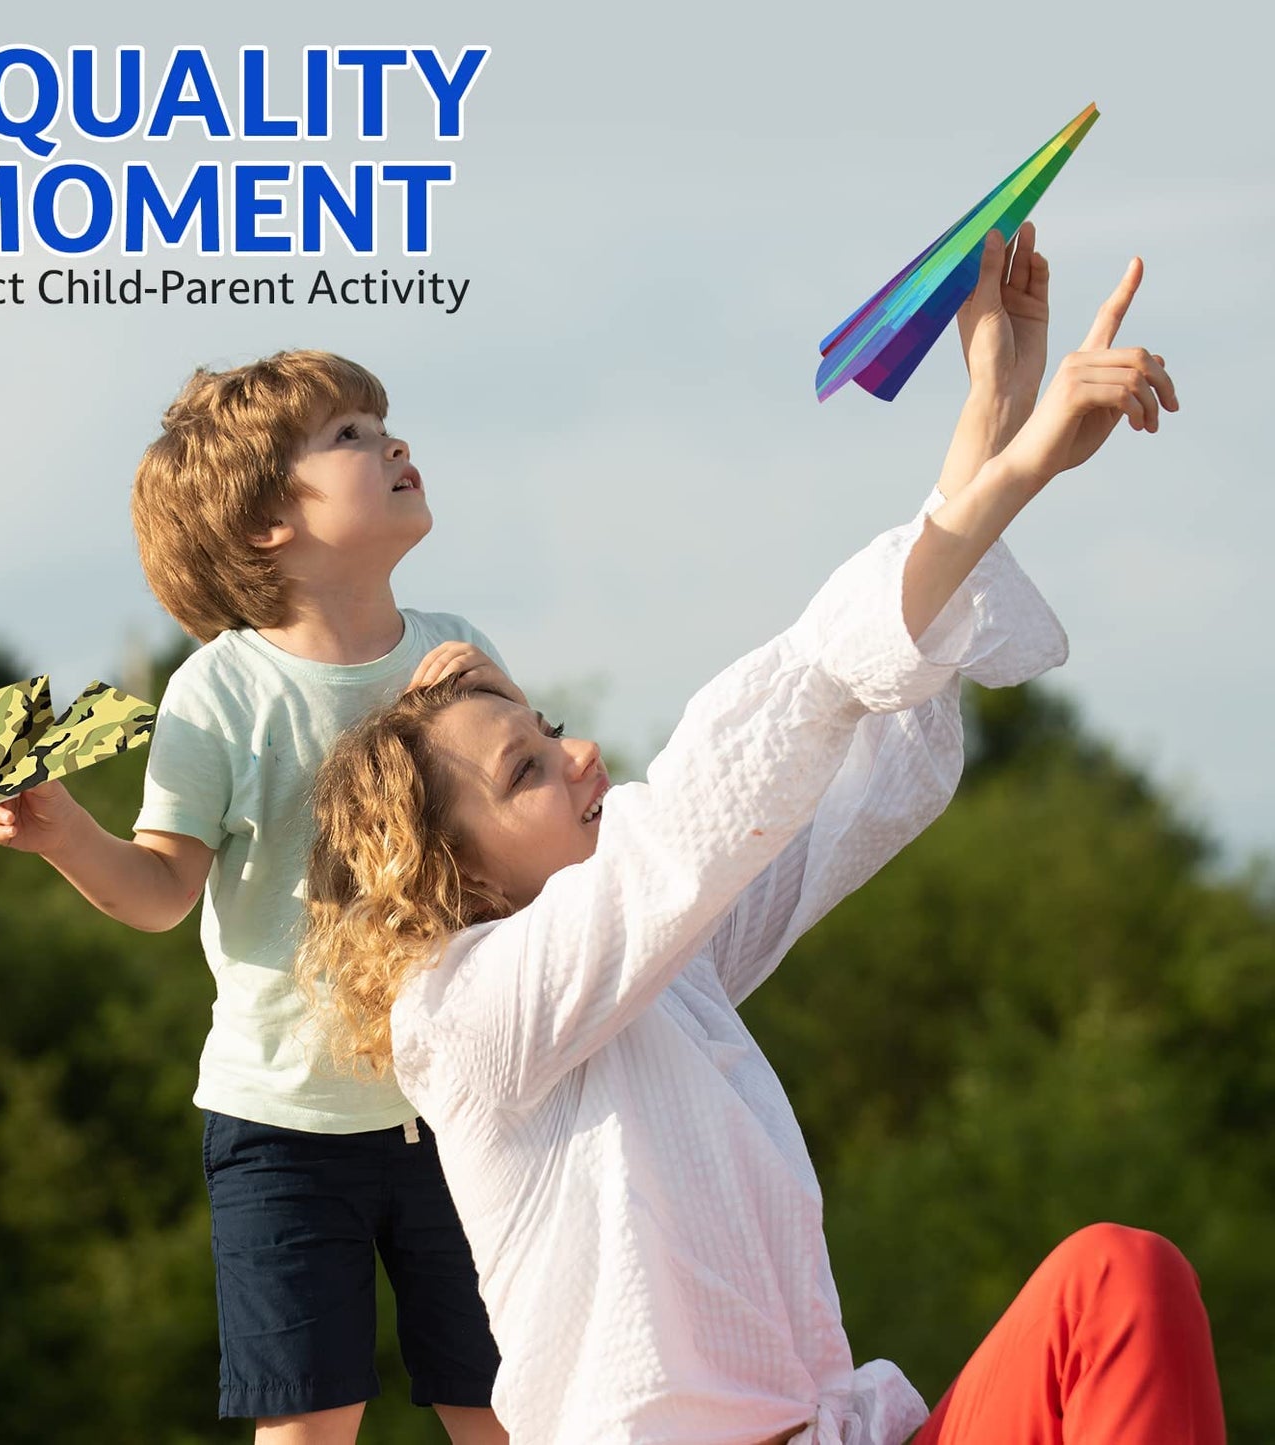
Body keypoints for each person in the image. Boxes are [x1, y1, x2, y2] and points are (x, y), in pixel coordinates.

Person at [300, 245, 1225, 1444]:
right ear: (456, 872)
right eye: (525, 769)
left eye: (554, 730)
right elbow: (721, 779)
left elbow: (854, 769)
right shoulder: (465, 1020)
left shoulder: (664, 974)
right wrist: (1021, 466)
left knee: (1114, 1279)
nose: (581, 758)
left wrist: (989, 424)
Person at [0, 351, 511, 1444]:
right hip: (282, 1121)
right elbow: (164, 889)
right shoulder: (220, 690)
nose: (392, 442)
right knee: (307, 1421)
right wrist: (68, 834)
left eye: (382, 421)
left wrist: (477, 713)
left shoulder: (458, 657)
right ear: (269, 519)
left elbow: (522, 849)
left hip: (463, 1097)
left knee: (508, 1402)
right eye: (351, 436)